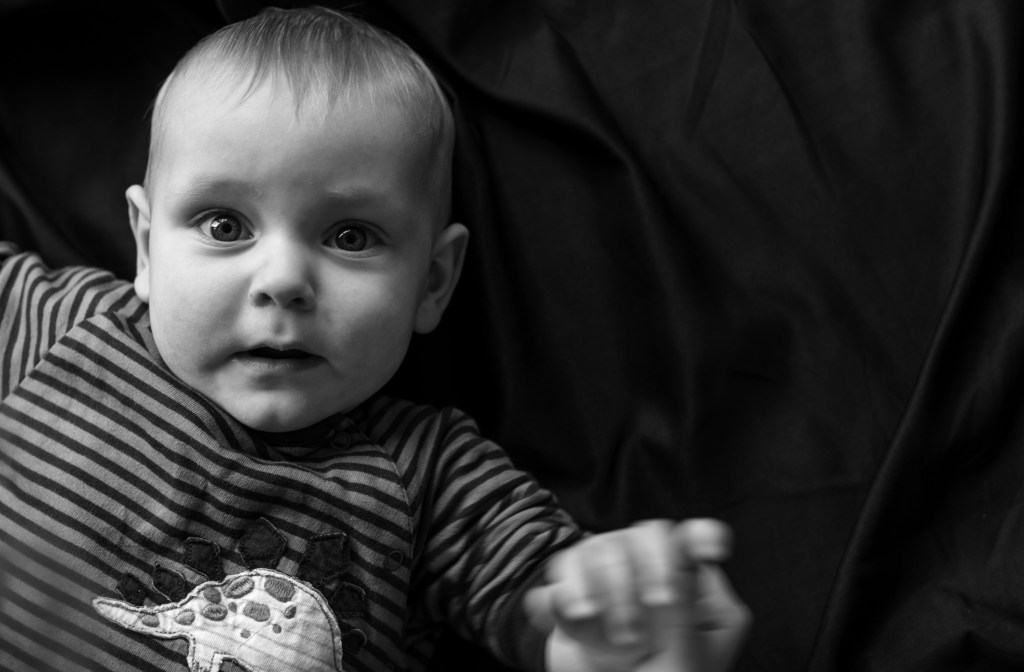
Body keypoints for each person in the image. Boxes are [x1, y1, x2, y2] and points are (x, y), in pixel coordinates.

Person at [0, 6, 749, 672]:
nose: (283, 280)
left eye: (350, 236)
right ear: (145, 248)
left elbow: (542, 594)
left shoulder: (430, 474)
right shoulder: (67, 324)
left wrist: (614, 617)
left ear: (433, 282)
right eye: (225, 225)